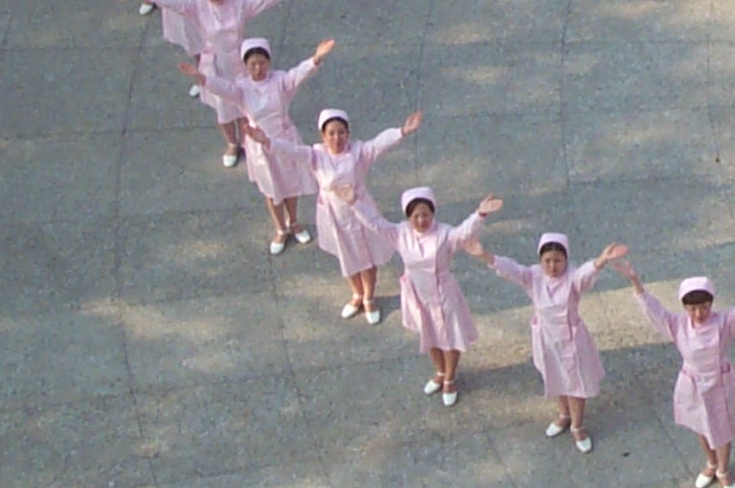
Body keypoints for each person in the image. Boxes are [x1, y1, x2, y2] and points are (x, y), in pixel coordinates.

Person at [613, 255, 735, 488]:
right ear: (685, 307)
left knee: (723, 428)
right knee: (701, 425)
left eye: (704, 307)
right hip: (693, 383)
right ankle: (710, 462)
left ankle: (723, 469)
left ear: (711, 304)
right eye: (692, 308)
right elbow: (653, 311)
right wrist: (635, 282)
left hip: (721, 382)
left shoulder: (724, 323)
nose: (699, 313)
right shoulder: (677, 325)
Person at [117, 0, 322, 165]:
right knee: (223, 109)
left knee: (246, 105)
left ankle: (249, 140)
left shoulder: (240, 4)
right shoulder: (198, 7)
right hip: (216, 63)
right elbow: (172, 1)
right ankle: (232, 143)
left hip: (241, 62)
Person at [249, 109, 421, 320]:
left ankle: (369, 297)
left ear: (348, 134)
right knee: (346, 255)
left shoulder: (359, 153)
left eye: (341, 133)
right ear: (323, 135)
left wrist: (402, 131)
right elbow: (292, 150)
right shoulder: (316, 156)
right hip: (334, 216)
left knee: (367, 256)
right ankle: (357, 293)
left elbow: (379, 143)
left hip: (361, 211)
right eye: (331, 133)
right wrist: (267, 141)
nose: (337, 138)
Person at [463, 235, 628, 451]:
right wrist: (486, 256)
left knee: (576, 384)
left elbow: (585, 275)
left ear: (566, 260)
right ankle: (564, 414)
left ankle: (577, 426)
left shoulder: (572, 278)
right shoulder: (533, 276)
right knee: (555, 376)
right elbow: (511, 269)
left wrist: (601, 260)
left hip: (571, 338)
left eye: (558, 260)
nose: (552, 266)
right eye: (547, 260)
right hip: (546, 338)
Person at [355, 186, 502, 407]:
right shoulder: (400, 233)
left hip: (443, 291)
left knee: (450, 336)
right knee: (429, 333)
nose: (421, 220)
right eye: (415, 216)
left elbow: (464, 233)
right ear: (408, 217)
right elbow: (375, 223)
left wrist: (479, 214)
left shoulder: (444, 234)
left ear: (433, 213)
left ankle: (450, 377)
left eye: (425, 215)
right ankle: (440, 371)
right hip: (417, 293)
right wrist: (354, 203)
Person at [184, 38, 332, 253]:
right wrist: (201, 77)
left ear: (268, 62)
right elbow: (223, 88)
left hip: (285, 140)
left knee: (291, 184)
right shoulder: (242, 88)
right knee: (271, 189)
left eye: (262, 63)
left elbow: (298, 74)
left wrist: (316, 58)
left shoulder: (280, 82)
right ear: (245, 65)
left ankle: (293, 221)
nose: (258, 68)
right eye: (253, 64)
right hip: (260, 147)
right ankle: (280, 228)